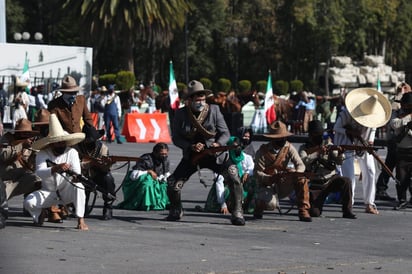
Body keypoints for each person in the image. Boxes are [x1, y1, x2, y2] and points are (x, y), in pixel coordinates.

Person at [166, 80, 245, 226]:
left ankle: (237, 212)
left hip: (216, 155)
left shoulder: (214, 110)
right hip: (193, 156)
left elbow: (225, 133)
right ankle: (176, 209)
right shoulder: (180, 114)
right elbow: (176, 138)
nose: (201, 102)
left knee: (234, 177)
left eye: (203, 99)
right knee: (172, 184)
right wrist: (190, 146)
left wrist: (218, 143)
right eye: (197, 99)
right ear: (189, 100)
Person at [24, 114, 89, 230]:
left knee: (79, 186)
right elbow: (39, 172)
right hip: (48, 191)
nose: (61, 145)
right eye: (58, 143)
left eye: (63, 142)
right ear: (52, 143)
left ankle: (80, 220)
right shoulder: (43, 154)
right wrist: (55, 168)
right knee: (29, 202)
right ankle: (40, 214)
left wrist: (75, 176)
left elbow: (77, 173)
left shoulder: (72, 153)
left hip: (66, 191)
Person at [333, 88, 392, 215]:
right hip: (345, 144)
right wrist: (349, 132)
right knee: (349, 175)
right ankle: (349, 204)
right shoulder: (346, 113)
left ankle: (369, 203)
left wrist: (369, 143)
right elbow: (336, 128)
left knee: (370, 171)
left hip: (363, 145)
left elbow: (372, 133)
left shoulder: (375, 117)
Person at [253, 121, 312, 222]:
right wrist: (269, 178)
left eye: (283, 137)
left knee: (302, 178)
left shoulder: (288, 147)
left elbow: (300, 164)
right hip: (268, 185)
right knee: (271, 204)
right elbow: (257, 172)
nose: (282, 140)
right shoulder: (262, 151)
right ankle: (259, 205)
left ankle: (303, 210)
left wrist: (295, 173)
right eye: (279, 138)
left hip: (284, 183)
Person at [299, 120, 356, 219]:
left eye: (321, 134)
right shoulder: (304, 148)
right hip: (316, 184)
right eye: (317, 134)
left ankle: (347, 211)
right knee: (314, 213)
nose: (320, 136)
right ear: (311, 135)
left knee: (346, 181)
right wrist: (317, 153)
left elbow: (339, 162)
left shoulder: (327, 144)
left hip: (330, 179)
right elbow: (304, 161)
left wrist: (340, 153)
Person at [376, 82, 412, 201]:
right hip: (395, 142)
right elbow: (393, 118)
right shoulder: (397, 105)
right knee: (390, 167)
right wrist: (399, 95)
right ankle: (382, 189)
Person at [204, 136, 255, 214]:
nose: (237, 148)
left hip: (241, 186)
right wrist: (222, 204)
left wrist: (247, 173)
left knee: (253, 182)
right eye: (234, 146)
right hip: (226, 189)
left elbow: (251, 167)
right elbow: (219, 183)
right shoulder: (222, 161)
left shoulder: (246, 157)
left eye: (238, 146)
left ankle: (248, 207)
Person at [77, 123, 116, 219]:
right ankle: (81, 206)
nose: (90, 142)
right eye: (88, 140)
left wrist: (106, 164)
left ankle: (108, 206)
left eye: (92, 140)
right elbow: (75, 164)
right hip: (81, 175)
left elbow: (106, 169)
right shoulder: (76, 147)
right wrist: (90, 163)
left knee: (108, 178)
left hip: (98, 175)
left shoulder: (103, 148)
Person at [117, 142, 170, 211]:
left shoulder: (165, 161)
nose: (164, 156)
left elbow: (166, 173)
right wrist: (148, 171)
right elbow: (134, 175)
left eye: (165, 154)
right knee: (148, 180)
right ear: (155, 153)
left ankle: (163, 203)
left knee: (168, 184)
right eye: (161, 154)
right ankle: (145, 203)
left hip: (157, 180)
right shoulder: (146, 159)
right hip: (137, 181)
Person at [0, 118, 41, 201]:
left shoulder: (30, 143)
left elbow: (33, 167)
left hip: (21, 179)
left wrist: (34, 153)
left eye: (28, 134)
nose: (27, 136)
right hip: (5, 180)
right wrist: (21, 144)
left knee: (37, 180)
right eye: (24, 133)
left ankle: (29, 203)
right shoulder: (6, 139)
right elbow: (4, 156)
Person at [389, 92, 412, 210]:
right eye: (405, 105)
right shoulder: (398, 114)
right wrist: (409, 117)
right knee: (401, 178)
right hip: (402, 151)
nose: (405, 107)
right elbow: (394, 124)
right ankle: (402, 200)